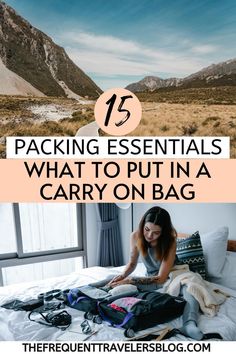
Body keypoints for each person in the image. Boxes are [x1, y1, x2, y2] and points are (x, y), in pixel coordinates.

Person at [108, 206, 204, 340]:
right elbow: (132, 263)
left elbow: (161, 278)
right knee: (112, 279)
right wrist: (123, 276)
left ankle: (189, 324)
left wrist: (130, 280)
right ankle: (90, 293)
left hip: (174, 274)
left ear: (163, 232)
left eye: (156, 233)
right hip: (152, 278)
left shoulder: (170, 241)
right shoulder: (135, 236)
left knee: (191, 289)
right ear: (143, 225)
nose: (149, 235)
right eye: (147, 229)